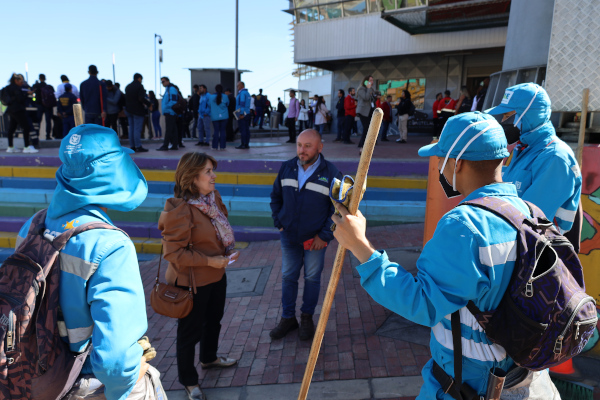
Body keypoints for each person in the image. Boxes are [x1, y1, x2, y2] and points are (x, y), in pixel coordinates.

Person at [332, 111, 561, 399]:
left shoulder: (464, 226)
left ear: (458, 163)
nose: (439, 165)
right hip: (528, 377)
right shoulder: (529, 212)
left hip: (470, 384)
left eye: (442, 158)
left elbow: (423, 304)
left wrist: (361, 247)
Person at [17, 124, 166, 399]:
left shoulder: (32, 226)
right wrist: (126, 383)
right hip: (88, 382)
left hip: (40, 375)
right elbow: (115, 361)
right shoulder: (110, 246)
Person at [158, 152, 239, 400]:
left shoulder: (212, 198)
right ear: (192, 177)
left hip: (216, 275)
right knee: (189, 333)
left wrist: (224, 253)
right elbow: (173, 253)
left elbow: (220, 226)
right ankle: (189, 381)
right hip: (191, 282)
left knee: (214, 320)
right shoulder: (180, 209)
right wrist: (209, 260)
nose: (214, 176)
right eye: (208, 172)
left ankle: (209, 358)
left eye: (212, 170)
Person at [269, 129, 342, 340]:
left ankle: (307, 318)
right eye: (299, 145)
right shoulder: (287, 167)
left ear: (320, 147)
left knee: (312, 278)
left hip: (316, 240)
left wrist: (324, 236)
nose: (302, 150)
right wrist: (279, 223)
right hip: (289, 236)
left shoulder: (331, 173)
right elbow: (275, 197)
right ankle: (288, 318)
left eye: (308, 146)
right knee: (288, 277)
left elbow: (337, 209)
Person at [486, 82, 582, 242]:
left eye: (506, 116)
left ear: (527, 115)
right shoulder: (522, 149)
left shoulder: (555, 157)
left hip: (539, 255)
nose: (502, 122)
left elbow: (529, 222)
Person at [4, 73, 37, 153]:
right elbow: (20, 99)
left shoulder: (7, 88)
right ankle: (26, 147)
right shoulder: (17, 88)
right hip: (18, 110)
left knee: (11, 129)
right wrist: (26, 94)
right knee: (26, 127)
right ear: (16, 80)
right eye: (21, 81)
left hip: (11, 110)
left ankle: (10, 147)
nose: (22, 83)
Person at [125, 73, 150, 152]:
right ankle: (138, 146)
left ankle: (132, 146)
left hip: (129, 110)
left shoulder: (128, 87)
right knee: (137, 129)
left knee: (131, 129)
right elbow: (141, 98)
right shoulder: (139, 86)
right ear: (139, 78)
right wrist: (149, 104)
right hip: (137, 110)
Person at [157, 77, 180, 151]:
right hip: (169, 112)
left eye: (163, 81)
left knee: (169, 129)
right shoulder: (167, 89)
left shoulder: (171, 89)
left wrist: (166, 107)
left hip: (170, 112)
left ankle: (165, 145)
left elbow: (173, 100)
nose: (162, 83)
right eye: (161, 82)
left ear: (168, 81)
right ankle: (174, 145)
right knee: (173, 129)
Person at [31, 73, 55, 140]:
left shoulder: (36, 86)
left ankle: (37, 135)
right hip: (48, 106)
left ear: (39, 78)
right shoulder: (49, 87)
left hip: (39, 105)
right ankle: (48, 136)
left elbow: (32, 94)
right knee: (48, 121)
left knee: (38, 121)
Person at [208, 84, 229, 151]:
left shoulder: (211, 97)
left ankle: (215, 146)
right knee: (223, 131)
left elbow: (209, 105)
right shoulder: (225, 96)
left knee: (216, 131)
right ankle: (223, 146)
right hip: (224, 116)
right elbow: (228, 104)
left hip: (215, 116)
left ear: (215, 89)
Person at [357, 75, 375, 150]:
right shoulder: (362, 89)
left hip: (369, 111)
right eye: (370, 80)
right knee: (366, 128)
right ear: (366, 81)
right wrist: (368, 88)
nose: (372, 82)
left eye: (372, 80)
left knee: (368, 128)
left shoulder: (371, 89)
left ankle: (361, 144)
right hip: (363, 111)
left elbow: (371, 100)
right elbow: (366, 97)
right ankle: (362, 146)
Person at [235, 81, 251, 149]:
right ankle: (246, 144)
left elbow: (242, 104)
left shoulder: (242, 93)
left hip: (243, 114)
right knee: (246, 129)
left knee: (243, 130)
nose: (237, 87)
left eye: (238, 86)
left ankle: (243, 144)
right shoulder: (247, 93)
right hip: (247, 113)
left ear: (241, 86)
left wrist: (241, 114)